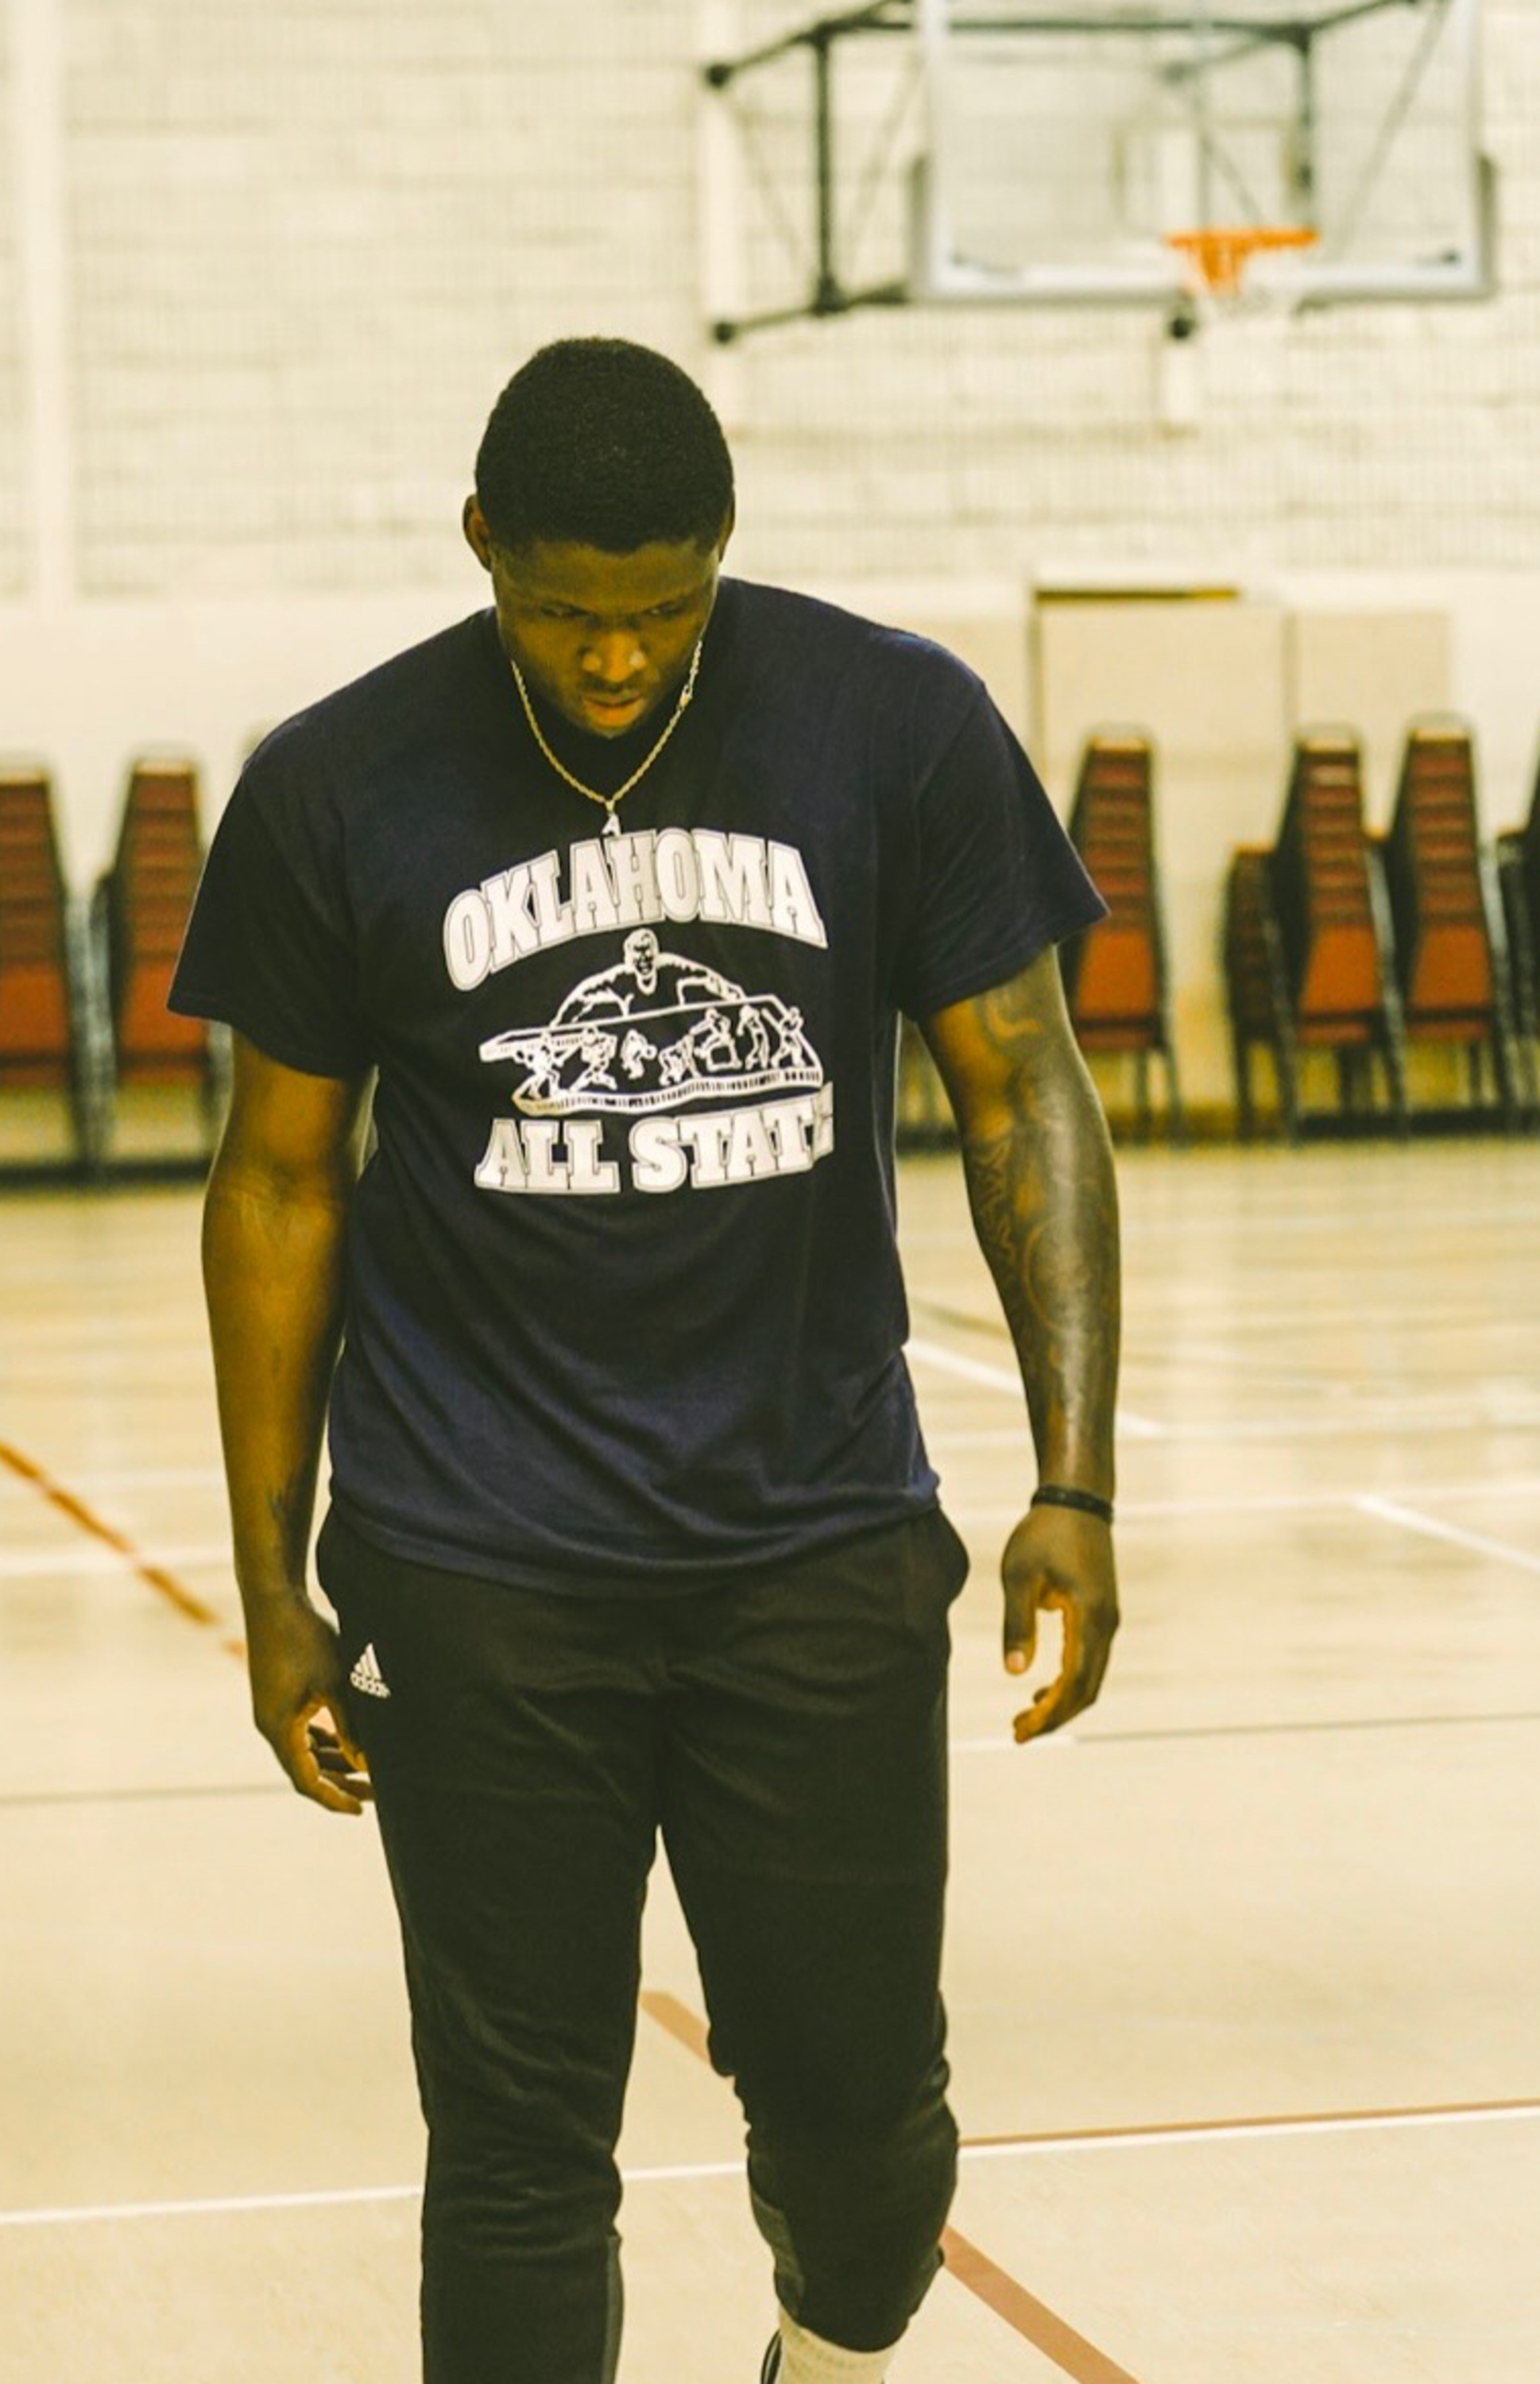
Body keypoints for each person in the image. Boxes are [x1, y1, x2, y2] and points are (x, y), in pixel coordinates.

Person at [172, 338, 1121, 2384]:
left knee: (869, 2139)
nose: (614, 661)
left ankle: (826, 2358)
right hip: (477, 1565)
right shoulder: (339, 782)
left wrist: (1075, 1478)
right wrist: (269, 1579)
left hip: (815, 1539)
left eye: (666, 612)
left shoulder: (893, 726)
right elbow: (278, 1184)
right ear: (480, 548)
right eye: (562, 614)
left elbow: (1024, 1084)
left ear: (724, 554)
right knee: (517, 2152)